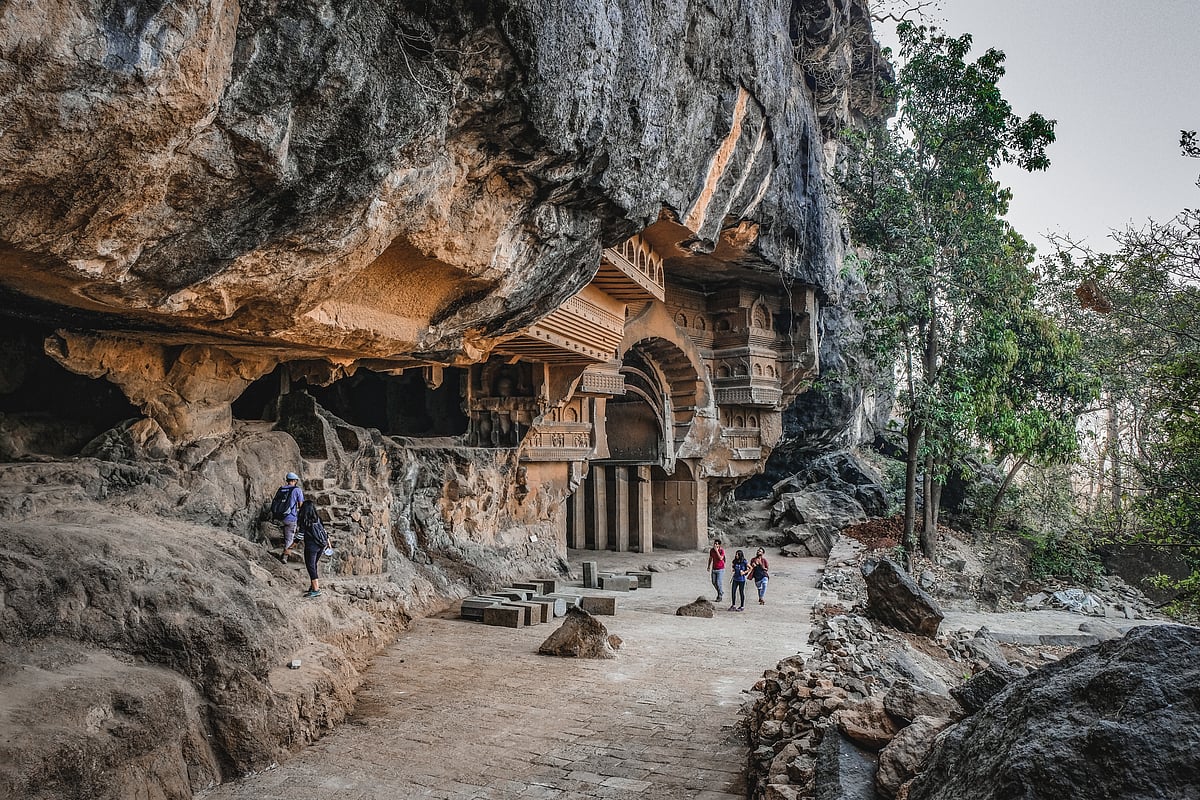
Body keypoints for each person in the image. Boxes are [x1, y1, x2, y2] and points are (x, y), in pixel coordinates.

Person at [297, 500, 330, 598]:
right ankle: (313, 586)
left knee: (311, 566)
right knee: (314, 565)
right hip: (321, 545)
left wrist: (289, 547)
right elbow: (324, 531)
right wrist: (329, 544)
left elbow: (299, 536)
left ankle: (316, 590)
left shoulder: (304, 520)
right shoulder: (318, 518)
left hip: (311, 547)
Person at [276, 472, 305, 563]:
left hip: (280, 516)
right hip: (290, 517)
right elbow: (301, 504)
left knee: (286, 533)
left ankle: (284, 548)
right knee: (289, 538)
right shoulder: (297, 490)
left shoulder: (281, 489)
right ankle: (285, 556)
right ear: (295, 481)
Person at [707, 538, 726, 603]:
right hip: (714, 568)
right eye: (714, 543)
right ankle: (720, 592)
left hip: (720, 569)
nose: (715, 545)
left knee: (718, 582)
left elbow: (721, 558)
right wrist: (709, 566)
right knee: (714, 582)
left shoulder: (721, 551)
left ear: (719, 545)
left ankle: (720, 595)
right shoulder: (711, 550)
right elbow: (710, 558)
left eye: (717, 544)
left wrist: (717, 551)